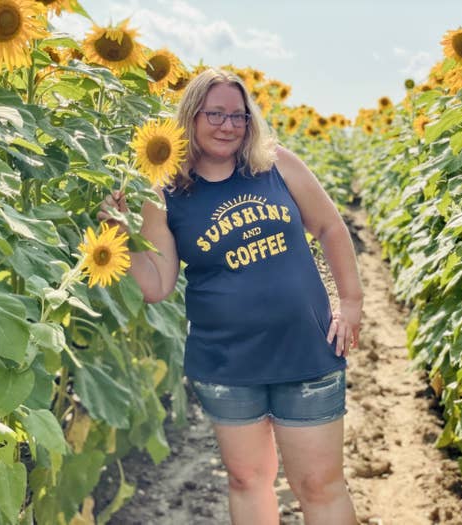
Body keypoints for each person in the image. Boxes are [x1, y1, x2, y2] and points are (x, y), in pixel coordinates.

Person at [98, 68, 363, 525]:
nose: (227, 126)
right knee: (247, 480)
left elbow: (330, 227)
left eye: (238, 116)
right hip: (227, 362)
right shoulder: (165, 193)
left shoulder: (274, 164)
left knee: (319, 485)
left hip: (306, 350)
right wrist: (118, 234)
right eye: (215, 114)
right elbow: (156, 285)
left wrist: (352, 302)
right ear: (191, 117)